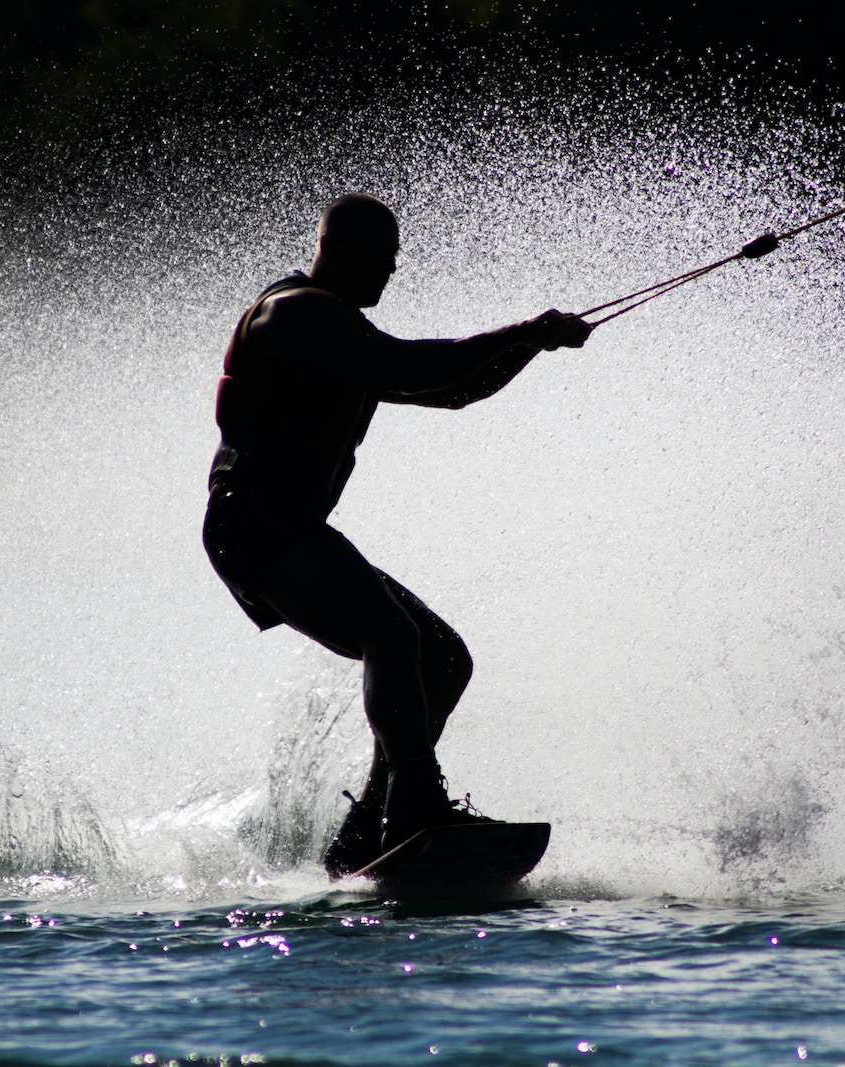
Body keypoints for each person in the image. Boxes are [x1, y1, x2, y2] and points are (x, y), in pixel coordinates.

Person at [202, 193, 591, 877]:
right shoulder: (295, 314)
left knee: (442, 658)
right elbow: (419, 366)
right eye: (383, 257)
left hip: (288, 525)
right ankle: (415, 802)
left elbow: (455, 390)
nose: (392, 272)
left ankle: (368, 831)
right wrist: (524, 328)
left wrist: (532, 345)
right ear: (341, 246)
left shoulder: (344, 336)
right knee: (393, 634)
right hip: (254, 521)